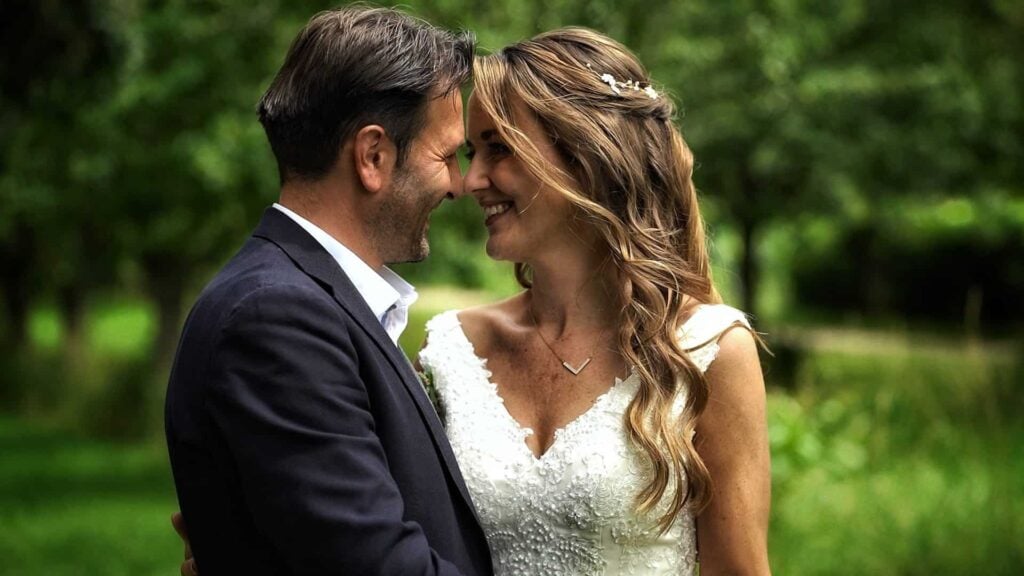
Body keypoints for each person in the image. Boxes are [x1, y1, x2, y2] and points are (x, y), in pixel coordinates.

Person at [415, 28, 771, 574]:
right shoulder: (451, 351)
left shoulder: (707, 350)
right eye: (471, 151)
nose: (471, 181)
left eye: (498, 147)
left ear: (588, 156)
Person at [164, 6, 492, 575]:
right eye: (446, 156)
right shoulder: (276, 319)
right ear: (373, 156)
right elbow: (375, 564)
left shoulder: (309, 301)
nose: (459, 185)